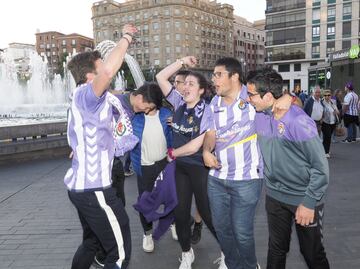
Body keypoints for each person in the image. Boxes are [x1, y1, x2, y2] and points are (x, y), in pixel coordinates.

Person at [64, 24, 163, 269]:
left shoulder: (87, 100)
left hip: (82, 189)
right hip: (95, 189)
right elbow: (108, 72)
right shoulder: (88, 95)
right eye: (101, 68)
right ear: (91, 76)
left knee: (91, 243)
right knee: (118, 255)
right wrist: (127, 37)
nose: (108, 70)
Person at [246, 67, 330, 269]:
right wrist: (288, 95)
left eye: (251, 95)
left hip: (304, 197)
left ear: (267, 95)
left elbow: (321, 169)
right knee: (276, 249)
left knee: (312, 253)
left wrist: (309, 202)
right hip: (275, 196)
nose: (248, 99)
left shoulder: (298, 121)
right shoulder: (259, 114)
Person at [156, 56, 226, 269]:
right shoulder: (178, 102)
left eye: (191, 84)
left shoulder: (207, 110)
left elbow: (197, 145)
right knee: (179, 212)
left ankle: (226, 251)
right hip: (180, 169)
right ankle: (187, 253)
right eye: (183, 83)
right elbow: (160, 76)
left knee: (206, 212)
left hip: (199, 168)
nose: (185, 87)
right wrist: (182, 61)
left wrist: (173, 152)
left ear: (202, 90)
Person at [202, 57, 263, 269]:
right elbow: (210, 134)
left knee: (242, 232)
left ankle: (250, 266)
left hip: (247, 180)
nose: (213, 79)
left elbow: (283, 104)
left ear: (234, 76)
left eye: (218, 74)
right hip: (217, 180)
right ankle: (235, 265)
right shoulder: (214, 103)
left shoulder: (253, 96)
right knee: (222, 230)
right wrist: (206, 150)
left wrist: (291, 101)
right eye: (213, 75)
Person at [130, 87, 173, 253]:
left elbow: (172, 137)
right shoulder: (135, 118)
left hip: (164, 163)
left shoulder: (165, 115)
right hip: (144, 166)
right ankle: (147, 233)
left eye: (147, 105)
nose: (143, 108)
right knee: (145, 201)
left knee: (169, 198)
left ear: (154, 104)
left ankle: (173, 223)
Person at [322, 89, 340, 157]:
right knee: (328, 136)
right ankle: (326, 152)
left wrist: (336, 112)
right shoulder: (322, 103)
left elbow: (337, 111)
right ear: (323, 96)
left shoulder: (333, 102)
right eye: (325, 95)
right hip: (325, 122)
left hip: (333, 122)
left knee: (326, 137)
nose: (327, 97)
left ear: (331, 95)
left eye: (328, 95)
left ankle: (325, 149)